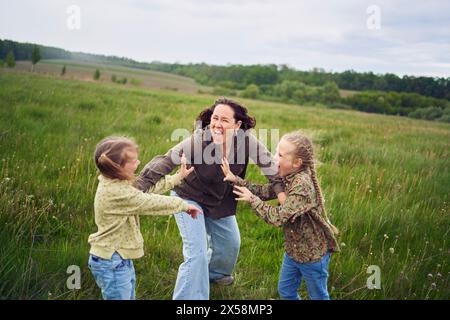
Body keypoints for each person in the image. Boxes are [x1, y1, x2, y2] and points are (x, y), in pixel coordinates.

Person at [136, 97, 286, 300]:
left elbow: (271, 168)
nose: (217, 124)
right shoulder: (200, 140)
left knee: (231, 244)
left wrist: (282, 193)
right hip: (189, 196)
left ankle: (213, 275)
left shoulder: (247, 142)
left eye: (225, 120)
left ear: (237, 125)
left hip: (220, 199)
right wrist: (137, 189)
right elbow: (166, 160)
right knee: (196, 254)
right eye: (215, 118)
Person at [227, 131, 339, 300]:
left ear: (297, 163)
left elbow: (278, 217)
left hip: (313, 256)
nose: (274, 158)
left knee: (318, 296)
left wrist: (252, 200)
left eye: (279, 155)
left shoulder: (302, 186)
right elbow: (265, 191)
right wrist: (235, 180)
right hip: (293, 252)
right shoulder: (288, 177)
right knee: (286, 292)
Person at [87, 136, 200, 300]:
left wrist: (177, 178)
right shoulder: (116, 193)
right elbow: (149, 201)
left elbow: (144, 191)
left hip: (117, 258)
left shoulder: (115, 182)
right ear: (117, 167)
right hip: (111, 261)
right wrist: (182, 205)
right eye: (133, 161)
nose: (138, 163)